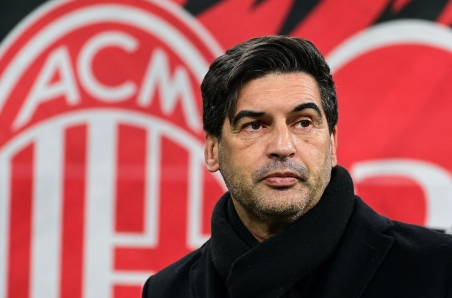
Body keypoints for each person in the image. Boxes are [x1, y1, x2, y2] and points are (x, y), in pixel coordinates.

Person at [142, 36, 452, 297]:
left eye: (303, 122)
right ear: (212, 150)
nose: (282, 147)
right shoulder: (168, 290)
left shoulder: (436, 267)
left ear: (331, 144)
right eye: (254, 126)